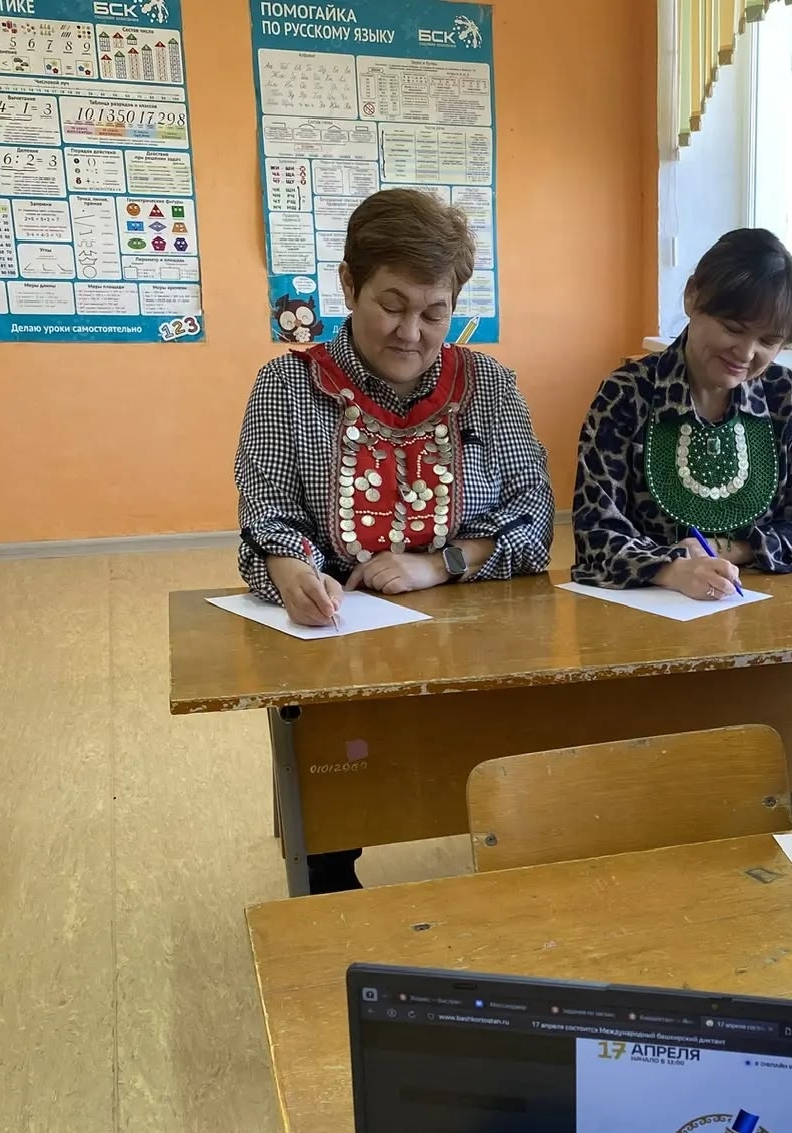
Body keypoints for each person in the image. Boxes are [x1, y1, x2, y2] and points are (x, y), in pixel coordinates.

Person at [234, 187, 555, 891]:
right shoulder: (287, 388)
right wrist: (293, 573)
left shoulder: (488, 386)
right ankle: (330, 877)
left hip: (473, 639)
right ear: (349, 286)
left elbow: (534, 514)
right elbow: (267, 515)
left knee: (508, 770)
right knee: (335, 779)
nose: (412, 332)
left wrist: (440, 563)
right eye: (392, 304)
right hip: (339, 642)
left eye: (434, 313)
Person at [571, 229, 792, 599]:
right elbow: (595, 535)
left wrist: (732, 550)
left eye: (768, 341)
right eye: (733, 329)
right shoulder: (626, 395)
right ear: (691, 296)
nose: (746, 354)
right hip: (646, 611)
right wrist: (673, 569)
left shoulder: (789, 398)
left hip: (762, 610)